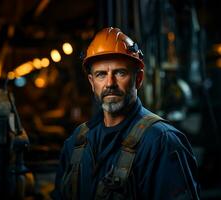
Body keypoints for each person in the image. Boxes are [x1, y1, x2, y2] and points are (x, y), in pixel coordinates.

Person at [52, 27, 200, 200]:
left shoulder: (161, 142)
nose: (110, 83)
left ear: (138, 79)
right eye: (101, 74)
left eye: (120, 73)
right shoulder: (76, 142)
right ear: (92, 82)